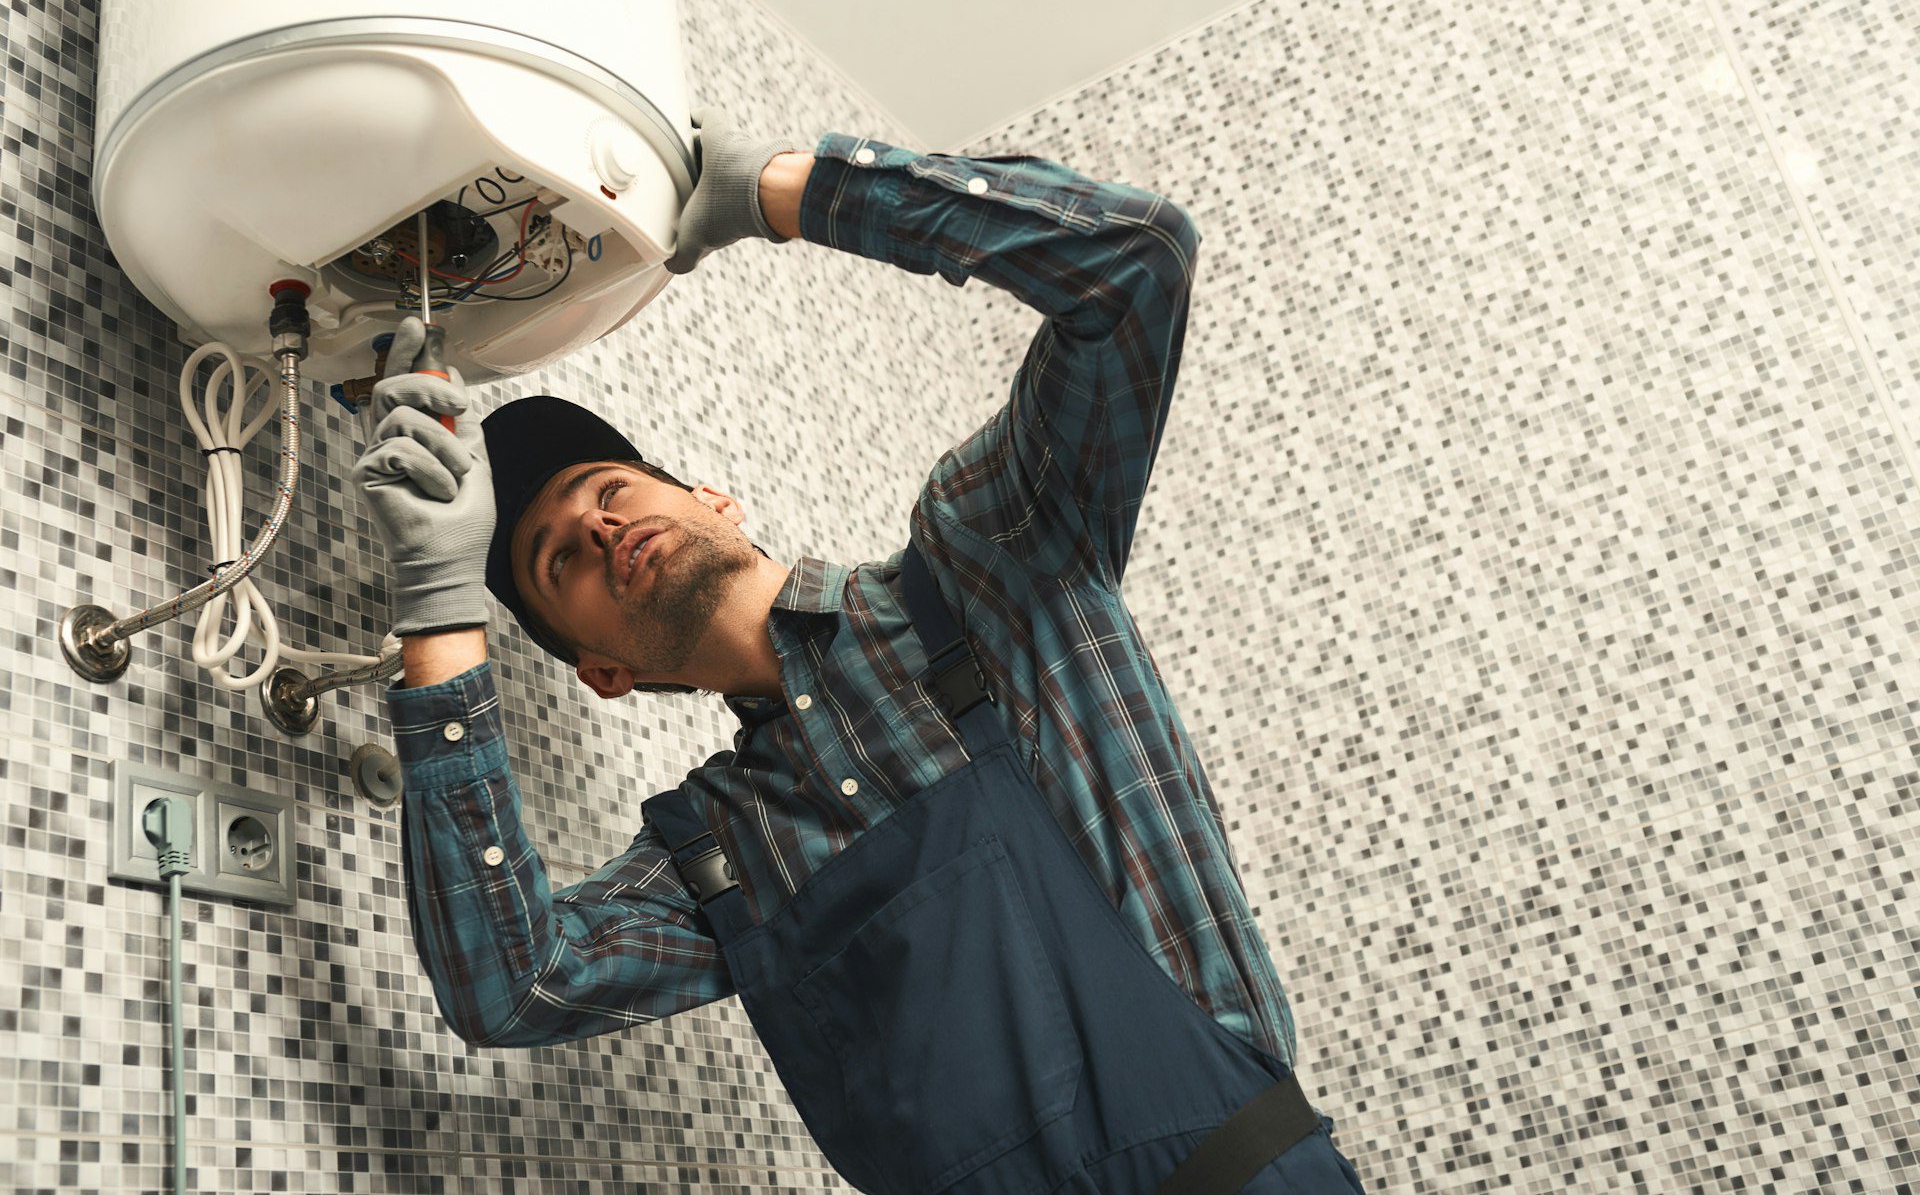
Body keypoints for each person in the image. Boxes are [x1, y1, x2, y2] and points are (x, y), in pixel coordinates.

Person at [351, 106, 1366, 1194]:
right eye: (561, 563)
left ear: (712, 500)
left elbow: (1136, 264)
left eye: (609, 490)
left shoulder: (990, 567)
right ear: (607, 675)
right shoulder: (718, 850)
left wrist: (791, 192)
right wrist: (438, 600)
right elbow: (511, 983)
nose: (600, 530)